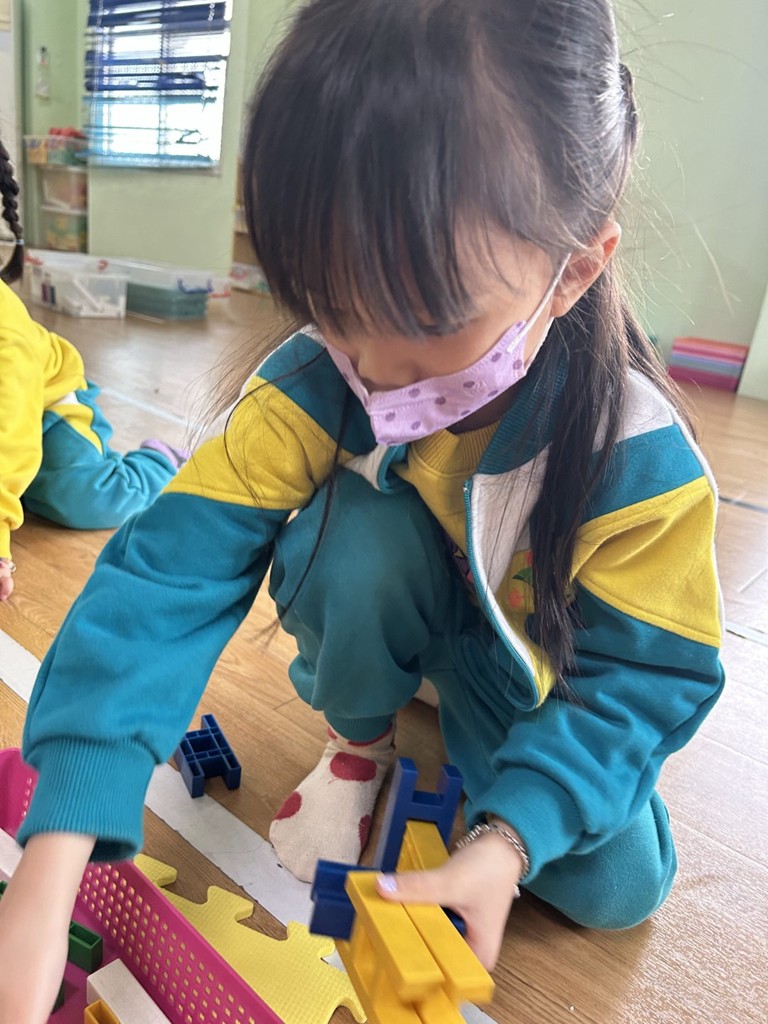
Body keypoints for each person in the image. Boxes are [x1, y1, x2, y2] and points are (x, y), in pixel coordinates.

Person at [0, 0, 724, 1018]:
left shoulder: (637, 461)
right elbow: (168, 572)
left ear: (574, 271)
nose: (375, 370)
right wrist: (56, 847)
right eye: (333, 306)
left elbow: (646, 679)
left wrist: (511, 836)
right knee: (351, 544)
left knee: (616, 888)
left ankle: (474, 748)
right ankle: (364, 740)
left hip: (521, 669)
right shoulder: (317, 381)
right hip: (394, 613)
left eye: (429, 317)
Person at [0, 136, 188, 602]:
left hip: (47, 408)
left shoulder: (6, 330)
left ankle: (157, 462)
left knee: (80, 497)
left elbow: (11, 430)